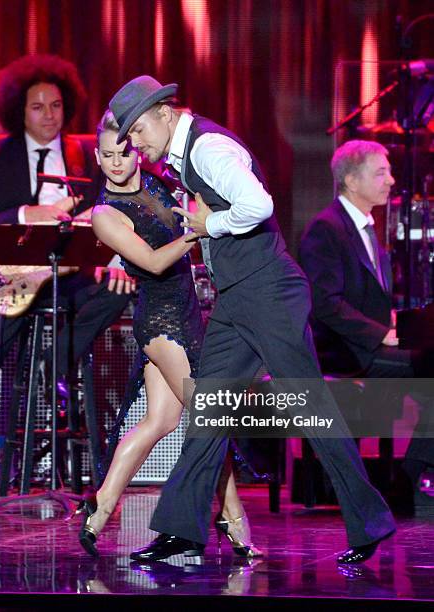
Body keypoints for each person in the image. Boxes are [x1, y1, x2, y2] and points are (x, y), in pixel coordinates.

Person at [108, 75, 396, 565]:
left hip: (270, 295)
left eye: (136, 132)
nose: (135, 144)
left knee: (310, 406)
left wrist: (208, 224)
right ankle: (183, 528)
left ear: (162, 112)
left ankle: (370, 521)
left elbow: (258, 205)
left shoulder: (208, 148)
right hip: (239, 297)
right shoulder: (185, 155)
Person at [78, 109, 262, 559]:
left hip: (188, 313)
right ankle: (233, 518)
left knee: (160, 421)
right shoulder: (105, 213)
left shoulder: (160, 185)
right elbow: (155, 262)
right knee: (210, 419)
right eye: (106, 155)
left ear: (136, 153)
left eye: (123, 152)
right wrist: (196, 233)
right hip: (160, 322)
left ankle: (99, 511)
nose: (116, 162)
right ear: (97, 159)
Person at [0, 54, 131, 498]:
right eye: (37, 107)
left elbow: (111, 211)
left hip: (69, 277)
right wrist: (25, 213)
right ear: (18, 111)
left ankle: (55, 364)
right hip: (9, 282)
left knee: (120, 289)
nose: (49, 115)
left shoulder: (86, 154)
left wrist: (114, 256)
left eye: (55, 106)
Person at [298, 139, 434, 515]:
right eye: (381, 172)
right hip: (346, 352)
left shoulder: (368, 228)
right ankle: (404, 481)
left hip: (372, 346)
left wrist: (394, 324)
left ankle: (405, 478)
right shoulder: (325, 229)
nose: (391, 180)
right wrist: (380, 333)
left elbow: (368, 297)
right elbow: (324, 304)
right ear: (351, 180)